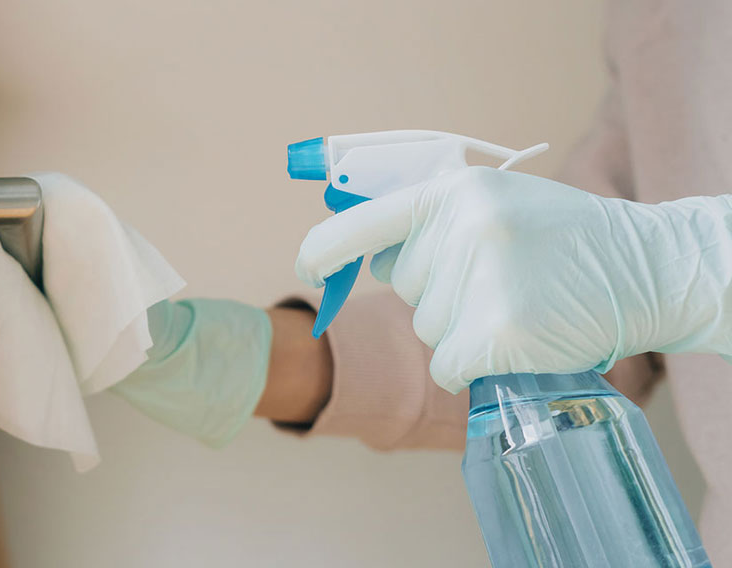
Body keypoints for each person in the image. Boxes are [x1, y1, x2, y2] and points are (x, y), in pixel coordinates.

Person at [109, 1, 732, 562]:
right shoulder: (657, 20)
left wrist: (689, 263)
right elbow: (559, 319)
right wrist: (239, 357)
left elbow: (631, 270)